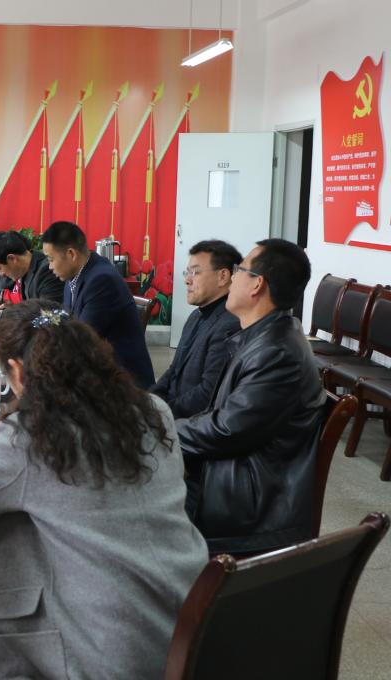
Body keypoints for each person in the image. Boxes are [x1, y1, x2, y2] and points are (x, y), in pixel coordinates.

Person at [0, 300, 207, 680]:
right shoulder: (154, 410)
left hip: (108, 653)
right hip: (194, 628)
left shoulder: (32, 436)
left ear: (18, 371)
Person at [177, 239, 325, 555]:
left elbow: (224, 431)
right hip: (228, 476)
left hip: (246, 505)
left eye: (239, 269)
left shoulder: (276, 353)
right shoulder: (262, 335)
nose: (231, 277)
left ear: (257, 284)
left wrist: (159, 429)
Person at [41, 221, 155, 388]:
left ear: (71, 254)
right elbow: (66, 324)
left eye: (51, 259)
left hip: (121, 383)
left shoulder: (102, 280)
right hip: (93, 369)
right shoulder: (73, 274)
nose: (50, 266)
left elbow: (80, 339)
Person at [151, 240, 242, 418]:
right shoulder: (196, 315)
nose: (187, 280)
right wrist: (148, 402)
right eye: (187, 272)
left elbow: (207, 395)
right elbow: (173, 370)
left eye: (195, 272)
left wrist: (161, 414)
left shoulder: (230, 325)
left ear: (223, 276)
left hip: (190, 424)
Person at [0, 230, 63, 322]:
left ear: (12, 258)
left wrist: (1, 315)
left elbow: (50, 316)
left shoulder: (47, 270)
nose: (1, 274)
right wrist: (14, 309)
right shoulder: (25, 271)